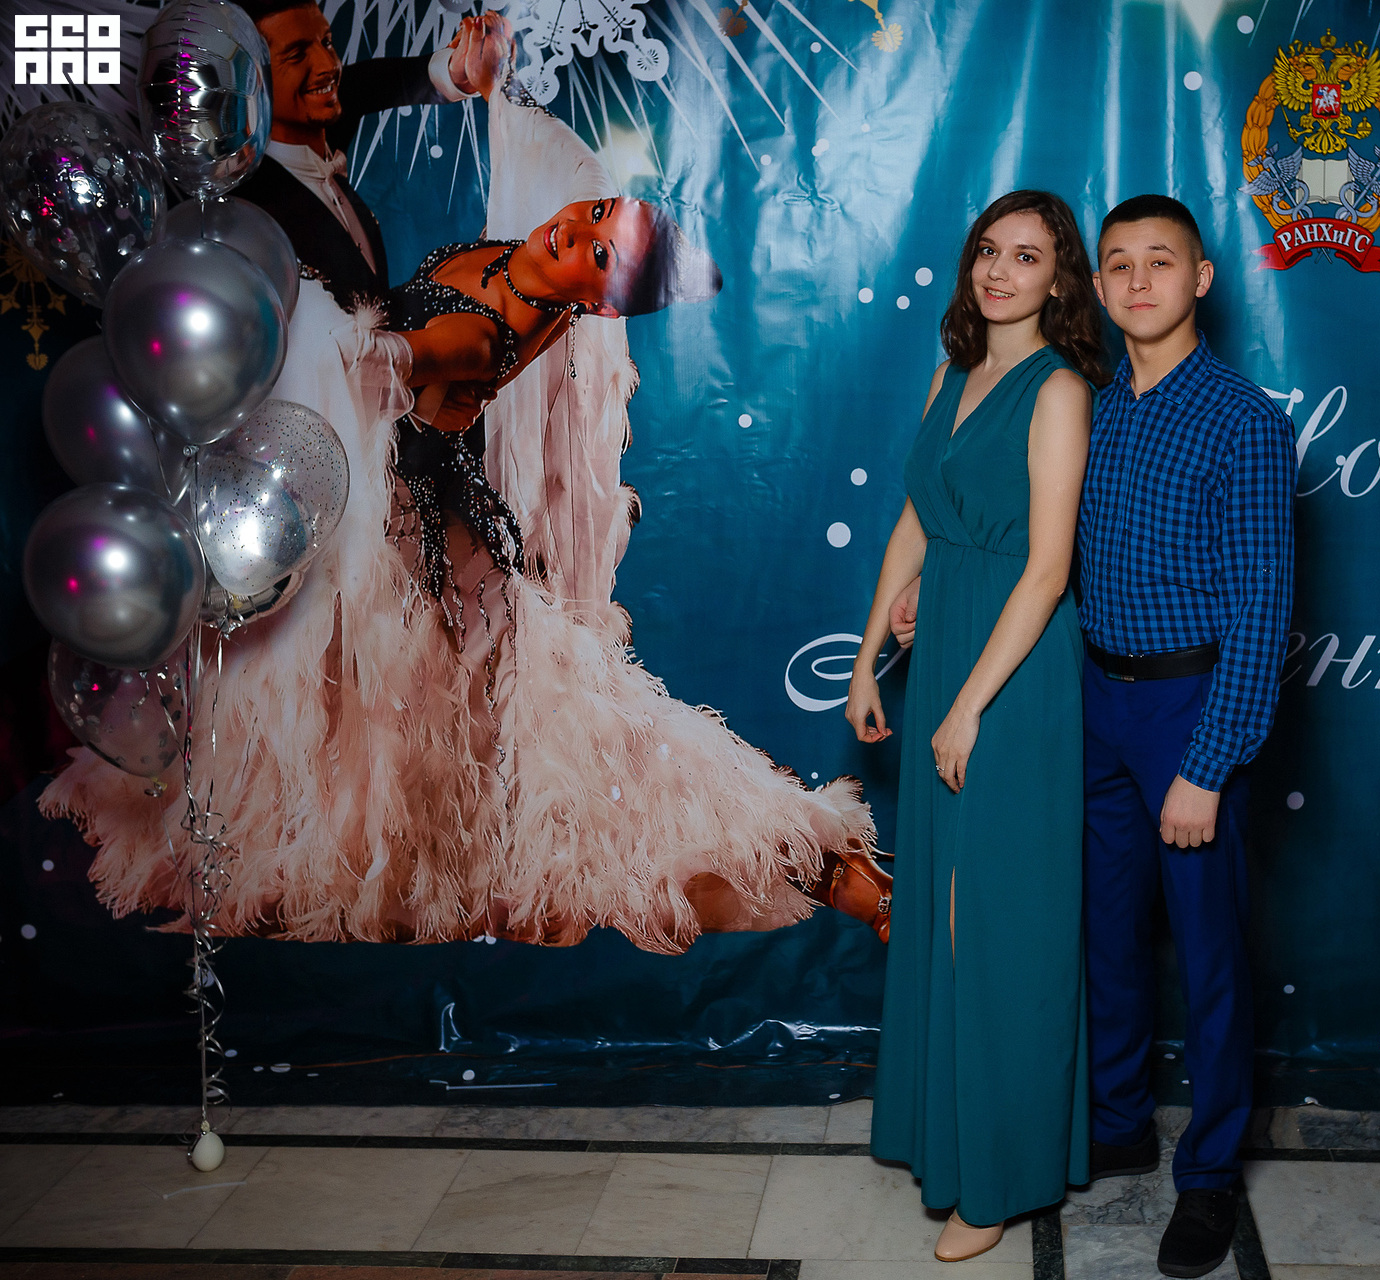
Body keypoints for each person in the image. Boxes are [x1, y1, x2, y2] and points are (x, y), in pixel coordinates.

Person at [43, 67, 891, 951]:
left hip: (422, 542)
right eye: (599, 214)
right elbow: (545, 169)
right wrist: (466, 80)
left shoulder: (486, 333)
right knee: (429, 737)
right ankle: (835, 869)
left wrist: (293, 334)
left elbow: (382, 361)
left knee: (552, 740)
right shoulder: (530, 251)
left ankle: (814, 858)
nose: (578, 231)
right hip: (415, 515)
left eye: (600, 256)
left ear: (597, 302)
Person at [887, 195, 1295, 1278]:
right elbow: (1028, 541)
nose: (1139, 281)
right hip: (1086, 698)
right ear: (1097, 286)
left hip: (1186, 706)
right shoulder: (1092, 401)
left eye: (1161, 262)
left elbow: (1263, 611)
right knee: (1103, 934)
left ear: (1201, 279)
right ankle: (1117, 1120)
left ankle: (1210, 1175)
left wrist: (1209, 762)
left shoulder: (1244, 420)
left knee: (1207, 949)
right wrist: (934, 587)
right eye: (1120, 264)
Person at [845, 190, 1105, 1261]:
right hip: (948, 639)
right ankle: (945, 1134)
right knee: (940, 909)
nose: (1000, 271)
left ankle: (998, 1177)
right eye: (989, 251)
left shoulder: (1062, 390)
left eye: (1028, 256)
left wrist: (966, 703)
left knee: (994, 918)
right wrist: (870, 652)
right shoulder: (950, 373)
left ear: (1060, 278)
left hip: (1014, 671)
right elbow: (918, 515)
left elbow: (1047, 568)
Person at [234, 0, 510, 310]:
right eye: (296, 55)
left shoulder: (320, 109)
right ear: (249, 78)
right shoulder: (244, 208)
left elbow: (378, 81)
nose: (328, 65)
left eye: (327, 43)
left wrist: (459, 66)